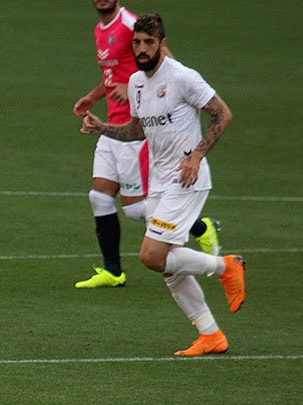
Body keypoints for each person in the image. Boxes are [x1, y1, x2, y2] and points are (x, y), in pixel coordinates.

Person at [80, 12, 245, 356]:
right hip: (159, 182)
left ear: (162, 44)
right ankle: (211, 335)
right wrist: (102, 128)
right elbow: (137, 130)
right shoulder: (137, 83)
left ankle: (226, 266)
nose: (141, 49)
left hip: (186, 178)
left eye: (148, 42)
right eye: (137, 42)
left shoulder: (183, 77)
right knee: (170, 266)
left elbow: (222, 114)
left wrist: (196, 156)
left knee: (152, 256)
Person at [73, 1, 221, 290]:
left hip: (139, 129)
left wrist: (143, 86)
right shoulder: (100, 30)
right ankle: (113, 271)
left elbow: (163, 63)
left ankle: (201, 227)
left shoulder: (129, 24)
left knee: (134, 209)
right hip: (113, 126)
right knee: (99, 197)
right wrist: (93, 97)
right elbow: (112, 76)